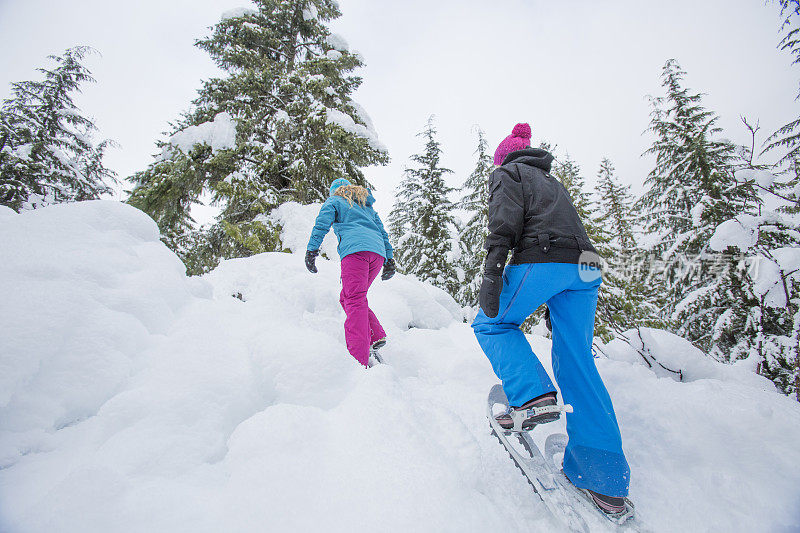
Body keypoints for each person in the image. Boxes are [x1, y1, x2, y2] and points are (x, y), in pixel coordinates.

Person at [472, 123, 631, 517]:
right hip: (587, 267)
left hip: (545, 257)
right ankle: (604, 478)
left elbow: (504, 222)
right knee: (577, 358)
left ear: (504, 156)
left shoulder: (507, 171)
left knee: (491, 323)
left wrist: (493, 270)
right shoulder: (551, 180)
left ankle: (530, 395)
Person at [305, 178, 396, 367]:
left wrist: (312, 250)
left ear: (334, 191)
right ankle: (375, 335)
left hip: (355, 253)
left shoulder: (335, 200)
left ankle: (358, 359)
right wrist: (389, 259)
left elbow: (322, 224)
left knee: (353, 300)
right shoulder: (366, 205)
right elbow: (382, 232)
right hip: (377, 255)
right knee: (349, 297)